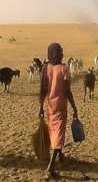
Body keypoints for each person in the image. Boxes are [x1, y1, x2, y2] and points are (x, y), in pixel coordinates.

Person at [39, 43, 78, 179]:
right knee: (58, 134)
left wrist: (40, 108)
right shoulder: (64, 69)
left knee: (54, 131)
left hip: (50, 106)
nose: (62, 54)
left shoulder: (45, 68)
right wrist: (74, 107)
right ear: (56, 54)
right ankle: (50, 168)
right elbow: (67, 91)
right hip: (61, 107)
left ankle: (60, 156)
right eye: (61, 52)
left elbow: (42, 90)